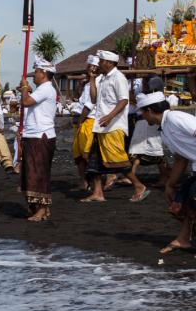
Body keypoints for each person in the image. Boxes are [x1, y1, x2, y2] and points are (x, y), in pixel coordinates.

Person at [136, 92, 196, 254]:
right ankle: (183, 240)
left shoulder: (175, 118)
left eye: (142, 112)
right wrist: (169, 185)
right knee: (184, 199)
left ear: (149, 110)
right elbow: (180, 159)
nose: (142, 116)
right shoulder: (164, 130)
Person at [83, 50, 146, 203]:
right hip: (101, 125)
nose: (99, 65)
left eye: (102, 61)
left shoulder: (118, 77)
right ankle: (98, 193)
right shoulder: (103, 78)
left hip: (114, 125)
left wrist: (110, 116)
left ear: (110, 63)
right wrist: (92, 79)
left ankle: (138, 185)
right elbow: (93, 99)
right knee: (95, 160)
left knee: (117, 159)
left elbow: (124, 100)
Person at [17, 57, 58, 221]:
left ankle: (42, 209)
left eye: (36, 72)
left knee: (38, 173)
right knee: (31, 172)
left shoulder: (46, 89)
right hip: (34, 133)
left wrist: (25, 87)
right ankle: (39, 207)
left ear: (44, 74)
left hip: (41, 134)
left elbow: (26, 102)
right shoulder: (44, 89)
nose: (34, 75)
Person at [72, 56, 100, 192]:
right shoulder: (88, 83)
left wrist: (81, 121)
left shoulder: (99, 82)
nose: (92, 69)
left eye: (94, 67)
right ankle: (84, 182)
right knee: (78, 155)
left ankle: (100, 182)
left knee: (87, 153)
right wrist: (82, 84)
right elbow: (80, 99)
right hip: (80, 120)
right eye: (90, 67)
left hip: (88, 120)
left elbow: (91, 103)